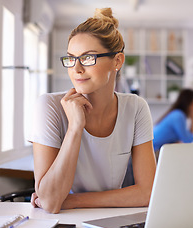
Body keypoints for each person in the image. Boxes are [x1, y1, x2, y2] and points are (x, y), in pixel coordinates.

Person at [28, 8, 156, 213]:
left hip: (109, 220)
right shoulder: (49, 106)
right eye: (71, 58)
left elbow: (148, 193)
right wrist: (75, 127)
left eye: (88, 58)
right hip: (60, 223)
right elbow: (51, 203)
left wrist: (74, 201)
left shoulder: (136, 108)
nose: (76, 69)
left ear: (117, 61)